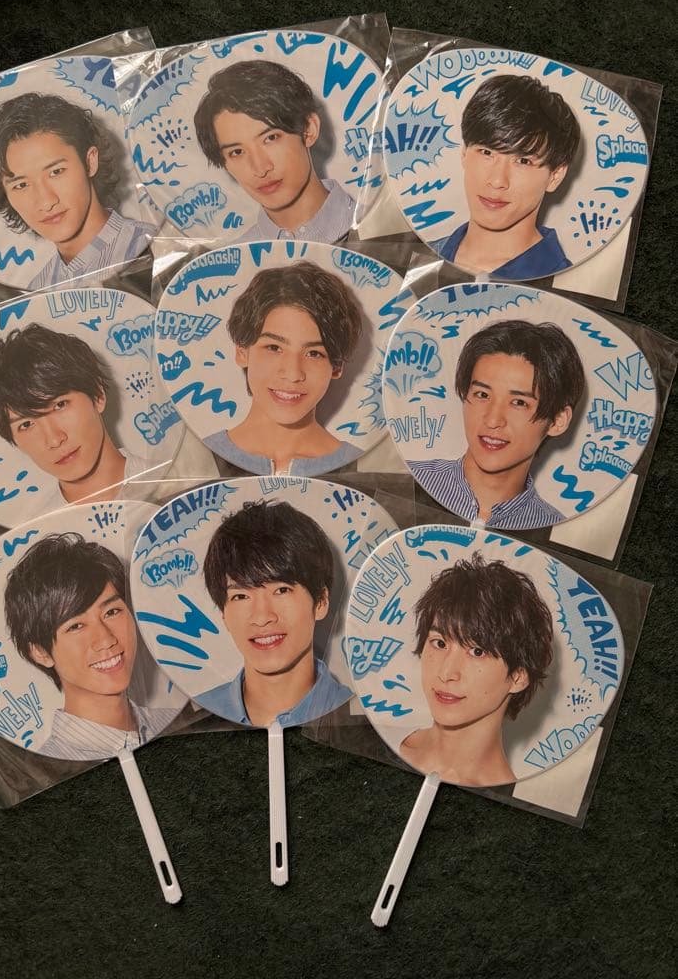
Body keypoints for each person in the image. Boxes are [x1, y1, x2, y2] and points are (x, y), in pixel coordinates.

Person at [4, 533, 179, 760]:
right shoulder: (50, 768)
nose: (106, 639)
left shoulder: (176, 725)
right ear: (40, 652)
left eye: (112, 612)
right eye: (76, 626)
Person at [408, 319, 585, 529]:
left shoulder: (556, 529)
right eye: (482, 394)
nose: (493, 421)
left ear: (557, 421)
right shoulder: (406, 482)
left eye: (519, 403)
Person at [399, 553, 553, 787]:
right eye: (439, 643)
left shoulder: (507, 802)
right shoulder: (367, 737)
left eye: (477, 652)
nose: (447, 673)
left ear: (518, 677)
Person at [0, 92, 155, 289]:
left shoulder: (157, 246)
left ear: (90, 162)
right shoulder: (37, 289)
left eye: (56, 172)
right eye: (21, 185)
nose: (46, 202)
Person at [197, 500, 351, 727]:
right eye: (241, 596)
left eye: (281, 590)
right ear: (223, 614)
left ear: (321, 601)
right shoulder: (191, 721)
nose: (262, 617)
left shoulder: (365, 719)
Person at [203, 261, 364, 474]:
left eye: (314, 353)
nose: (293, 374)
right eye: (274, 347)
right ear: (242, 351)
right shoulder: (197, 457)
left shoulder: (363, 467)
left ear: (336, 366)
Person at [0, 324, 149, 511]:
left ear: (98, 395)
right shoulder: (34, 528)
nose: (54, 440)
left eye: (60, 405)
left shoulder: (169, 483)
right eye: (26, 424)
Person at [432, 74, 581, 278]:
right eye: (487, 152)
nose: (497, 181)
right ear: (464, 154)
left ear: (555, 176)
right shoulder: (415, 253)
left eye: (523, 161)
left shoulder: (567, 284)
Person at [193, 60, 356, 244]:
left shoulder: (376, 225)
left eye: (270, 138)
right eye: (237, 152)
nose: (260, 168)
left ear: (308, 130)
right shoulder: (234, 258)